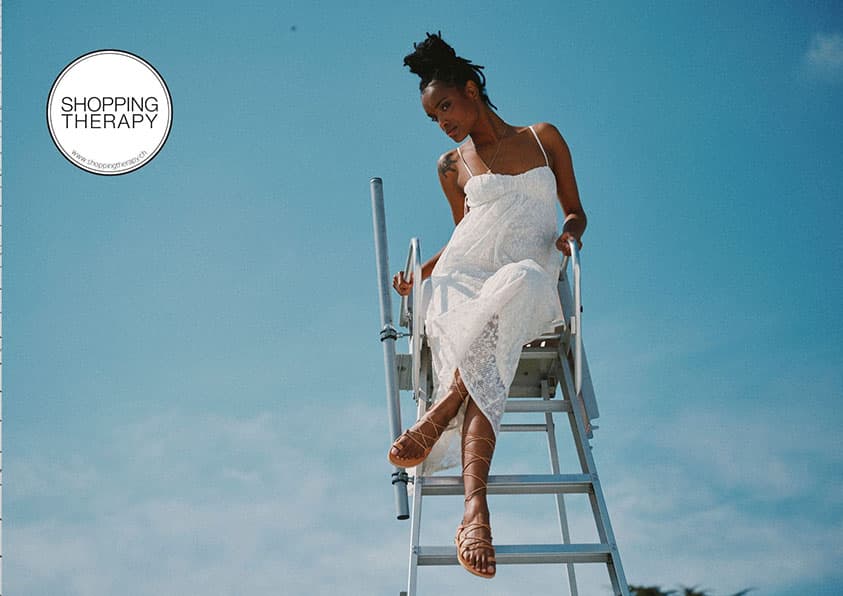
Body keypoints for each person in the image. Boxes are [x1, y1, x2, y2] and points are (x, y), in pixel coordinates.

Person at [388, 32, 586, 580]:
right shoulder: (450, 166)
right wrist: (423, 274)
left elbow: (575, 210)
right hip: (466, 279)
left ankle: (446, 406)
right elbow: (463, 234)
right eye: (433, 117)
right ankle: (476, 512)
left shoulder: (543, 138)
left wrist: (570, 233)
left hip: (527, 275)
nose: (443, 122)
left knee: (521, 280)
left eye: (446, 106)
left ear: (472, 89)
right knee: (484, 341)